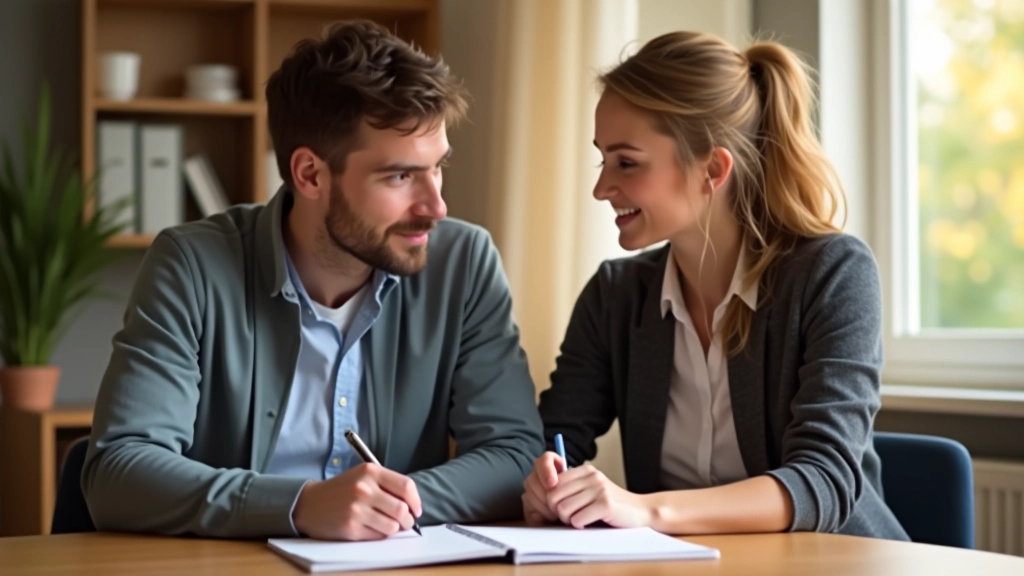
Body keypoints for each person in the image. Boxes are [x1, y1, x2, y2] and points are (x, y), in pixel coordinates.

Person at [83, 20, 544, 541]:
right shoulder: (192, 264)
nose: (435, 205)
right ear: (310, 175)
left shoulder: (464, 263)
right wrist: (299, 506)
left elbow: (513, 456)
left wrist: (384, 508)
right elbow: (117, 472)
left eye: (437, 167)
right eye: (399, 176)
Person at [522, 31, 909, 540]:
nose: (601, 188)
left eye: (627, 162)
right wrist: (544, 479)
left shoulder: (832, 274)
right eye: (603, 159)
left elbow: (824, 482)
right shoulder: (614, 296)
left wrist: (646, 511)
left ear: (712, 169)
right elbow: (555, 438)